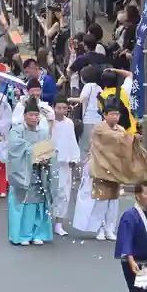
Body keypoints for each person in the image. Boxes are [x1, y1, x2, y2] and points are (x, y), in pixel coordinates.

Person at [7, 96, 54, 246]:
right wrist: (34, 152)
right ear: (24, 116)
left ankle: (38, 233)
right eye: (31, 115)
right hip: (23, 172)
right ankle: (22, 235)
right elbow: (15, 148)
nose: (35, 118)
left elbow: (49, 148)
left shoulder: (43, 132)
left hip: (39, 172)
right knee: (25, 204)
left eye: (36, 115)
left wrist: (46, 158)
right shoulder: (17, 131)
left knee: (39, 203)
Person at [52, 95, 80, 236]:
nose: (61, 111)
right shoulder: (49, 122)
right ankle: (46, 221)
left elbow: (72, 140)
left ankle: (59, 223)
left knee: (63, 193)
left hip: (64, 162)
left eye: (64, 108)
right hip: (51, 161)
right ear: (53, 108)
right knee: (51, 192)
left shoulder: (69, 123)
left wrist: (74, 158)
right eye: (59, 108)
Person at [68, 65, 103, 161]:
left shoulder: (88, 86)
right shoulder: (99, 88)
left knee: (84, 146)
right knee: (96, 147)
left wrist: (69, 99)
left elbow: (81, 99)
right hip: (99, 121)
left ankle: (83, 170)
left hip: (89, 120)